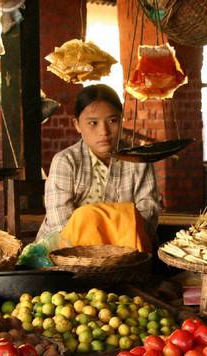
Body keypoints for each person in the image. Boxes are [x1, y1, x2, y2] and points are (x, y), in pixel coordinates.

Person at [35, 84, 160, 252]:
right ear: (77, 125)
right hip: (67, 254)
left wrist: (118, 249)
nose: (104, 131)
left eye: (112, 121)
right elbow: (60, 225)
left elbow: (149, 216)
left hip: (127, 253)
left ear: (122, 120)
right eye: (93, 123)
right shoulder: (66, 161)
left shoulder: (139, 160)